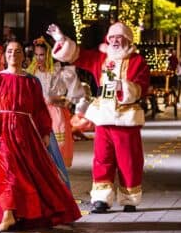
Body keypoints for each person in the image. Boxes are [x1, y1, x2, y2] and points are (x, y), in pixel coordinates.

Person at [0, 40, 81, 231]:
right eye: (9, 51)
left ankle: (22, 213)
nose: (13, 54)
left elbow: (39, 109)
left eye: (17, 51)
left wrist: (45, 132)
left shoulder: (31, 81)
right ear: (5, 55)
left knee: (29, 173)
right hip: (1, 133)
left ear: (23, 56)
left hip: (26, 133)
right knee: (6, 172)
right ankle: (8, 213)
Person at [49, 22, 150, 213]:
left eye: (119, 37)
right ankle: (101, 198)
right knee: (102, 159)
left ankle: (129, 198)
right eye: (112, 37)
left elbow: (142, 86)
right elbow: (78, 55)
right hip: (104, 116)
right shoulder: (101, 57)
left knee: (129, 161)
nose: (115, 41)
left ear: (128, 40)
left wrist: (123, 87)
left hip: (126, 118)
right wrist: (61, 40)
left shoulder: (137, 61)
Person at [27, 37, 82, 167]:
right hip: (37, 113)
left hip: (55, 113)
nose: (39, 58)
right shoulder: (31, 73)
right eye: (36, 55)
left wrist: (62, 101)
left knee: (57, 146)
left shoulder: (59, 72)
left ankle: (57, 172)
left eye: (42, 55)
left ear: (48, 55)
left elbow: (75, 91)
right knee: (38, 146)